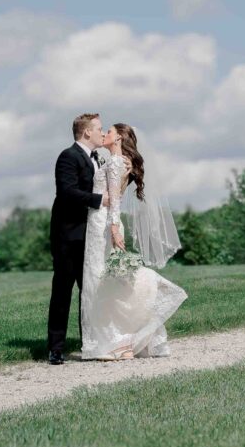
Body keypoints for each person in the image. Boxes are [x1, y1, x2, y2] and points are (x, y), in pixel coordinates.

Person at [80, 122, 187, 361]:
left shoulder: (117, 162)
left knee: (98, 280)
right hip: (101, 220)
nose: (105, 134)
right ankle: (120, 339)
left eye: (109, 132)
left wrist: (115, 228)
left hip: (103, 223)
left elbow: (115, 200)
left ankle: (115, 341)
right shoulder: (114, 161)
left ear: (118, 139)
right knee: (105, 280)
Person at [46, 113, 110, 365]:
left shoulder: (98, 158)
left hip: (92, 235)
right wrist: (98, 200)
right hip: (68, 235)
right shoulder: (68, 156)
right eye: (99, 129)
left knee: (91, 290)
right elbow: (66, 192)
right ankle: (56, 347)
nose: (102, 133)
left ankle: (90, 343)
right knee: (63, 290)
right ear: (86, 133)